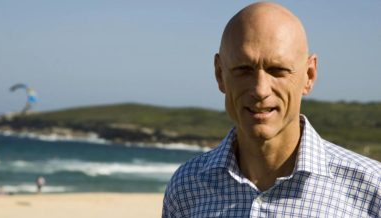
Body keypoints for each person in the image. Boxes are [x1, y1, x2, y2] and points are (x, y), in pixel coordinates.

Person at [162, 2, 380, 217]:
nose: (260, 90)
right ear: (220, 74)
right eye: (243, 70)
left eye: (277, 70)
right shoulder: (186, 188)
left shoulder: (371, 192)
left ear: (309, 75)